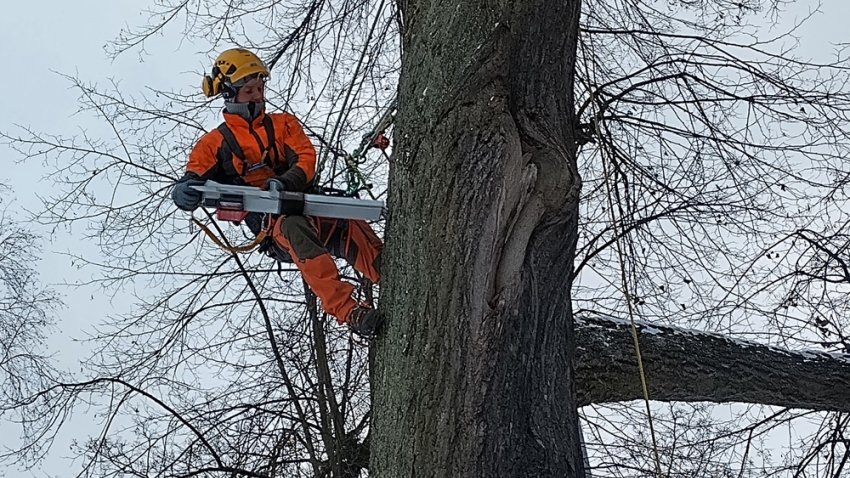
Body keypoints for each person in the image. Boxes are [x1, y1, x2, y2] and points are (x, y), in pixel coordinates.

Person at [171, 48, 384, 339]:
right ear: (230, 94)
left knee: (347, 217)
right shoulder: (214, 143)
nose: (258, 96)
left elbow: (306, 158)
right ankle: (350, 311)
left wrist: (286, 182)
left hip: (311, 205)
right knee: (293, 226)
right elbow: (194, 176)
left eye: (260, 88)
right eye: (249, 91)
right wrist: (184, 190)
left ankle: (389, 270)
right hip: (275, 228)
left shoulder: (283, 124)